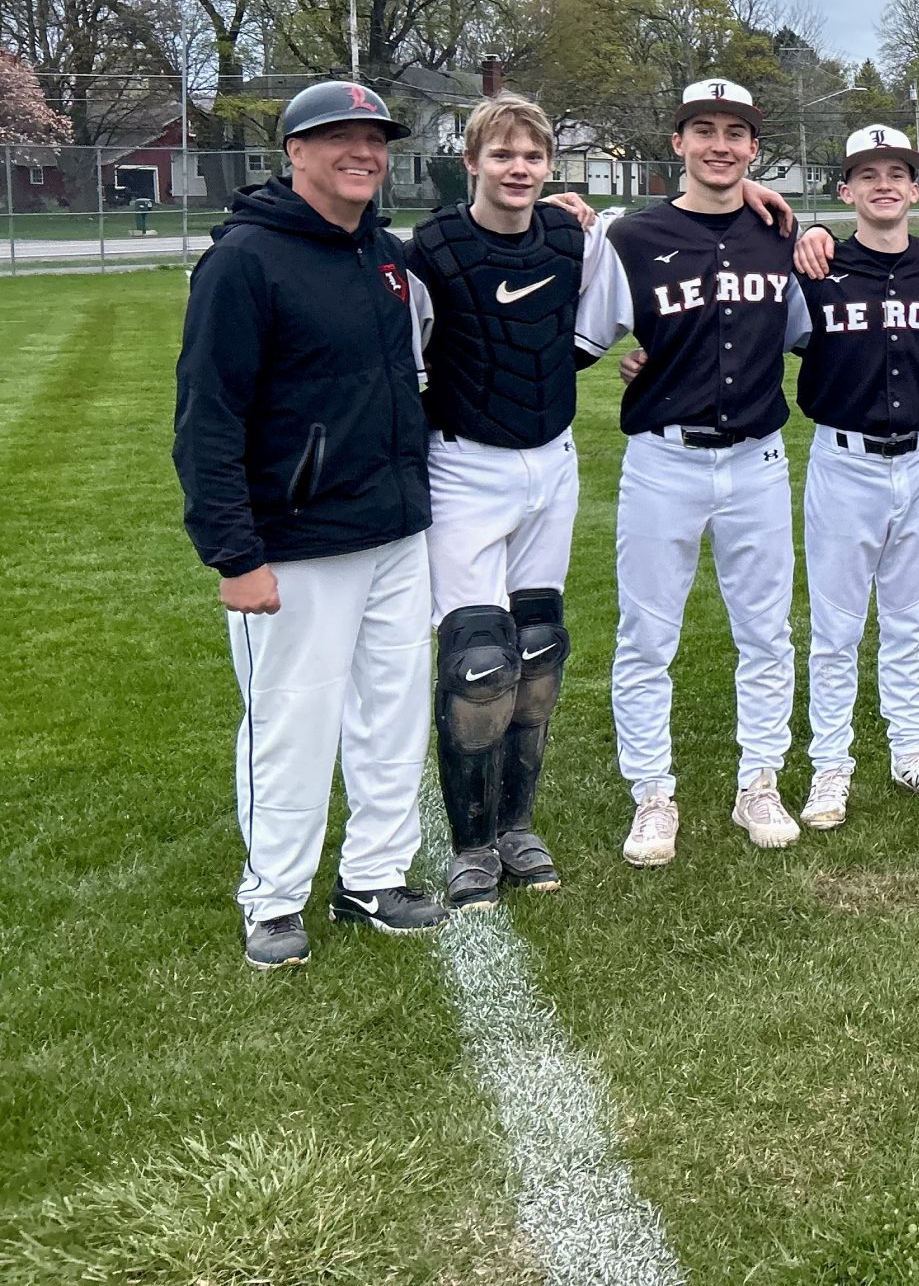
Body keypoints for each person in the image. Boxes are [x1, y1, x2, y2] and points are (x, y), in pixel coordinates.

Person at [174, 80, 448, 968]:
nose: (363, 153)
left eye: (376, 139)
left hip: (396, 531)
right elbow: (207, 418)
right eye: (340, 137)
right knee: (291, 723)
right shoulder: (244, 262)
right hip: (296, 544)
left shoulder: (385, 255)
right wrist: (234, 554)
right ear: (294, 152)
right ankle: (274, 900)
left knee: (392, 717)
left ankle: (373, 878)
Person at [574, 79, 809, 865]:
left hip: (757, 460)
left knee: (766, 634)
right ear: (677, 142)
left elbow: (811, 334)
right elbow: (583, 341)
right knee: (647, 637)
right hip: (663, 459)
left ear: (754, 148)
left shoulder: (779, 234)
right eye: (703, 129)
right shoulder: (632, 236)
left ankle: (760, 783)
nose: (719, 144)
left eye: (735, 132)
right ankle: (652, 794)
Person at [407, 95, 597, 908]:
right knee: (477, 662)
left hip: (552, 464)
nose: (518, 169)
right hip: (464, 467)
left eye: (533, 156)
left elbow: (584, 339)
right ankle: (472, 846)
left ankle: (517, 826)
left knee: (539, 649)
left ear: (550, 165)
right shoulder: (431, 249)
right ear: (471, 162)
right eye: (502, 155)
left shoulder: (571, 236)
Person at [790, 124, 919, 814]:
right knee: (836, 628)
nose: (884, 184)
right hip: (844, 462)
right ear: (845, 191)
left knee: (908, 620)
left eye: (897, 173)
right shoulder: (815, 267)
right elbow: (752, 334)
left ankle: (911, 751)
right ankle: (830, 765)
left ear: (916, 189)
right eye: (867, 174)